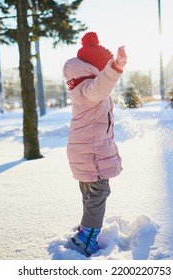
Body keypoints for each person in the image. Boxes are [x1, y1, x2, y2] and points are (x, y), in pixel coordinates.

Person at [62, 32, 127, 257]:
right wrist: (115, 67)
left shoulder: (81, 87)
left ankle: (84, 229)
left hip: (84, 153)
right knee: (99, 192)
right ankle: (86, 239)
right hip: (92, 155)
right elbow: (102, 85)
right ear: (96, 69)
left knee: (90, 194)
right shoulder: (90, 89)